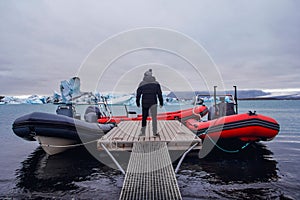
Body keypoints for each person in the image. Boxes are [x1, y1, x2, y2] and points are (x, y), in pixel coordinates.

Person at [136, 69, 163, 137]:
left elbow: (138, 94)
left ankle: (143, 132)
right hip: (153, 102)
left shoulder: (142, 83)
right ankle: (155, 133)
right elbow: (159, 94)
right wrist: (161, 102)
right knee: (154, 118)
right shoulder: (156, 83)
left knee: (144, 117)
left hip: (145, 103)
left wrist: (137, 102)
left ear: (145, 76)